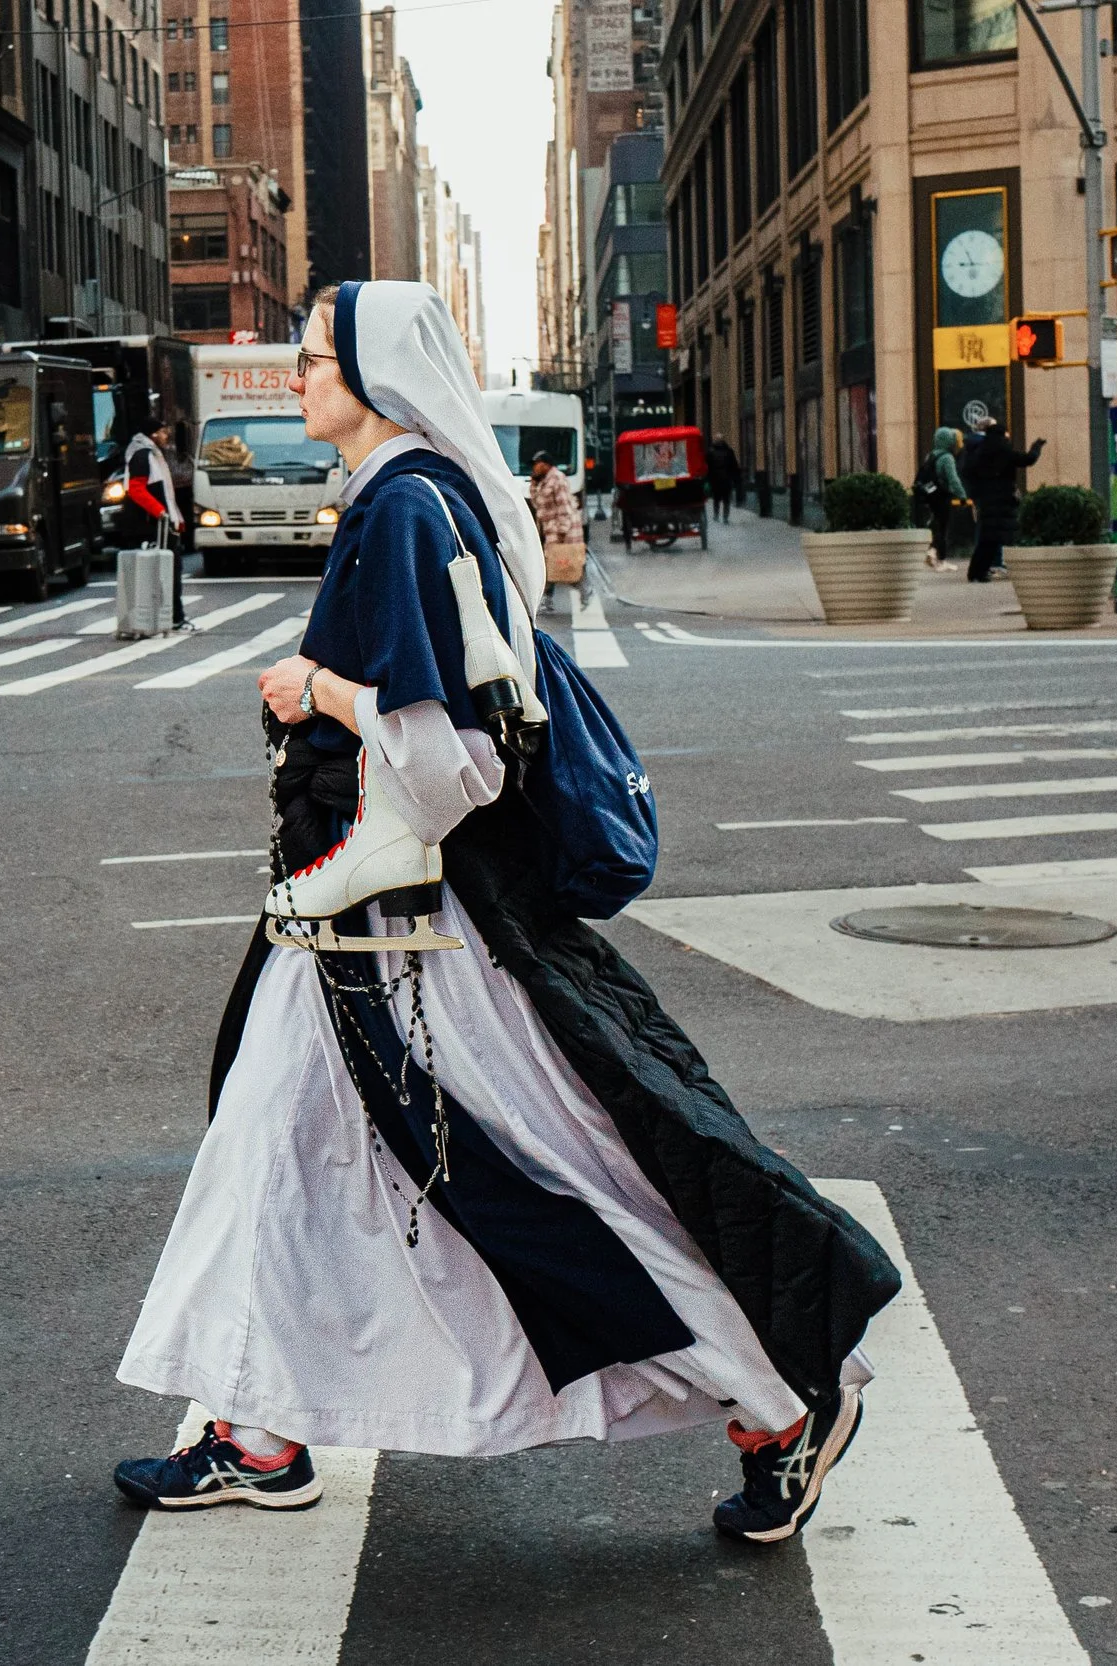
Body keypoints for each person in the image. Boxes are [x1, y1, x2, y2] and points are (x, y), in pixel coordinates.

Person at [109, 279, 898, 1545]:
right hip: (372, 916)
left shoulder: (407, 509)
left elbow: (449, 756)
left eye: (314, 361)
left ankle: (778, 1400)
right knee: (285, 1150)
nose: (297, 379)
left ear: (376, 377)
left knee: (545, 1174)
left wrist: (317, 687)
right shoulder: (411, 497)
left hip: (412, 930)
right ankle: (255, 1429)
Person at [115, 420, 187, 627]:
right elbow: (136, 489)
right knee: (168, 571)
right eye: (163, 432)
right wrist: (161, 513)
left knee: (171, 569)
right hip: (154, 525)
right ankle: (173, 617)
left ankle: (173, 616)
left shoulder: (150, 454)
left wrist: (175, 518)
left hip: (161, 523)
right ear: (153, 434)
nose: (166, 436)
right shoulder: (143, 455)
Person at [961, 414, 1044, 584]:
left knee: (986, 538)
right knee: (1000, 536)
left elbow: (968, 471)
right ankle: (986, 569)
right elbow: (1027, 459)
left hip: (986, 499)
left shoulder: (980, 450)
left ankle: (976, 571)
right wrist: (1037, 447)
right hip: (1003, 499)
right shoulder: (1004, 450)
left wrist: (976, 491)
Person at [527, 452, 588, 616]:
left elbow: (564, 506)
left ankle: (550, 599)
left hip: (561, 530)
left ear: (546, 464)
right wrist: (533, 484)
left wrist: (562, 531)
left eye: (537, 463)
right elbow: (537, 503)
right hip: (550, 529)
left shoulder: (557, 479)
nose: (534, 467)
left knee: (557, 564)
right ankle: (583, 591)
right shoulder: (543, 480)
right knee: (559, 564)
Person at [913, 427, 967, 572]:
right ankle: (940, 560)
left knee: (936, 525)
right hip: (942, 496)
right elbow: (953, 480)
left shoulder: (931, 455)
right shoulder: (947, 458)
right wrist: (962, 496)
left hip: (930, 495)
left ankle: (933, 551)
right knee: (943, 528)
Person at [707, 433, 741, 522]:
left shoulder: (711, 452)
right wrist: (736, 478)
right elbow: (734, 466)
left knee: (716, 498)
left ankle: (716, 515)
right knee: (726, 499)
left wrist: (708, 479)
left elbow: (707, 467)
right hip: (726, 479)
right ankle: (725, 517)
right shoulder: (729, 451)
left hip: (715, 479)